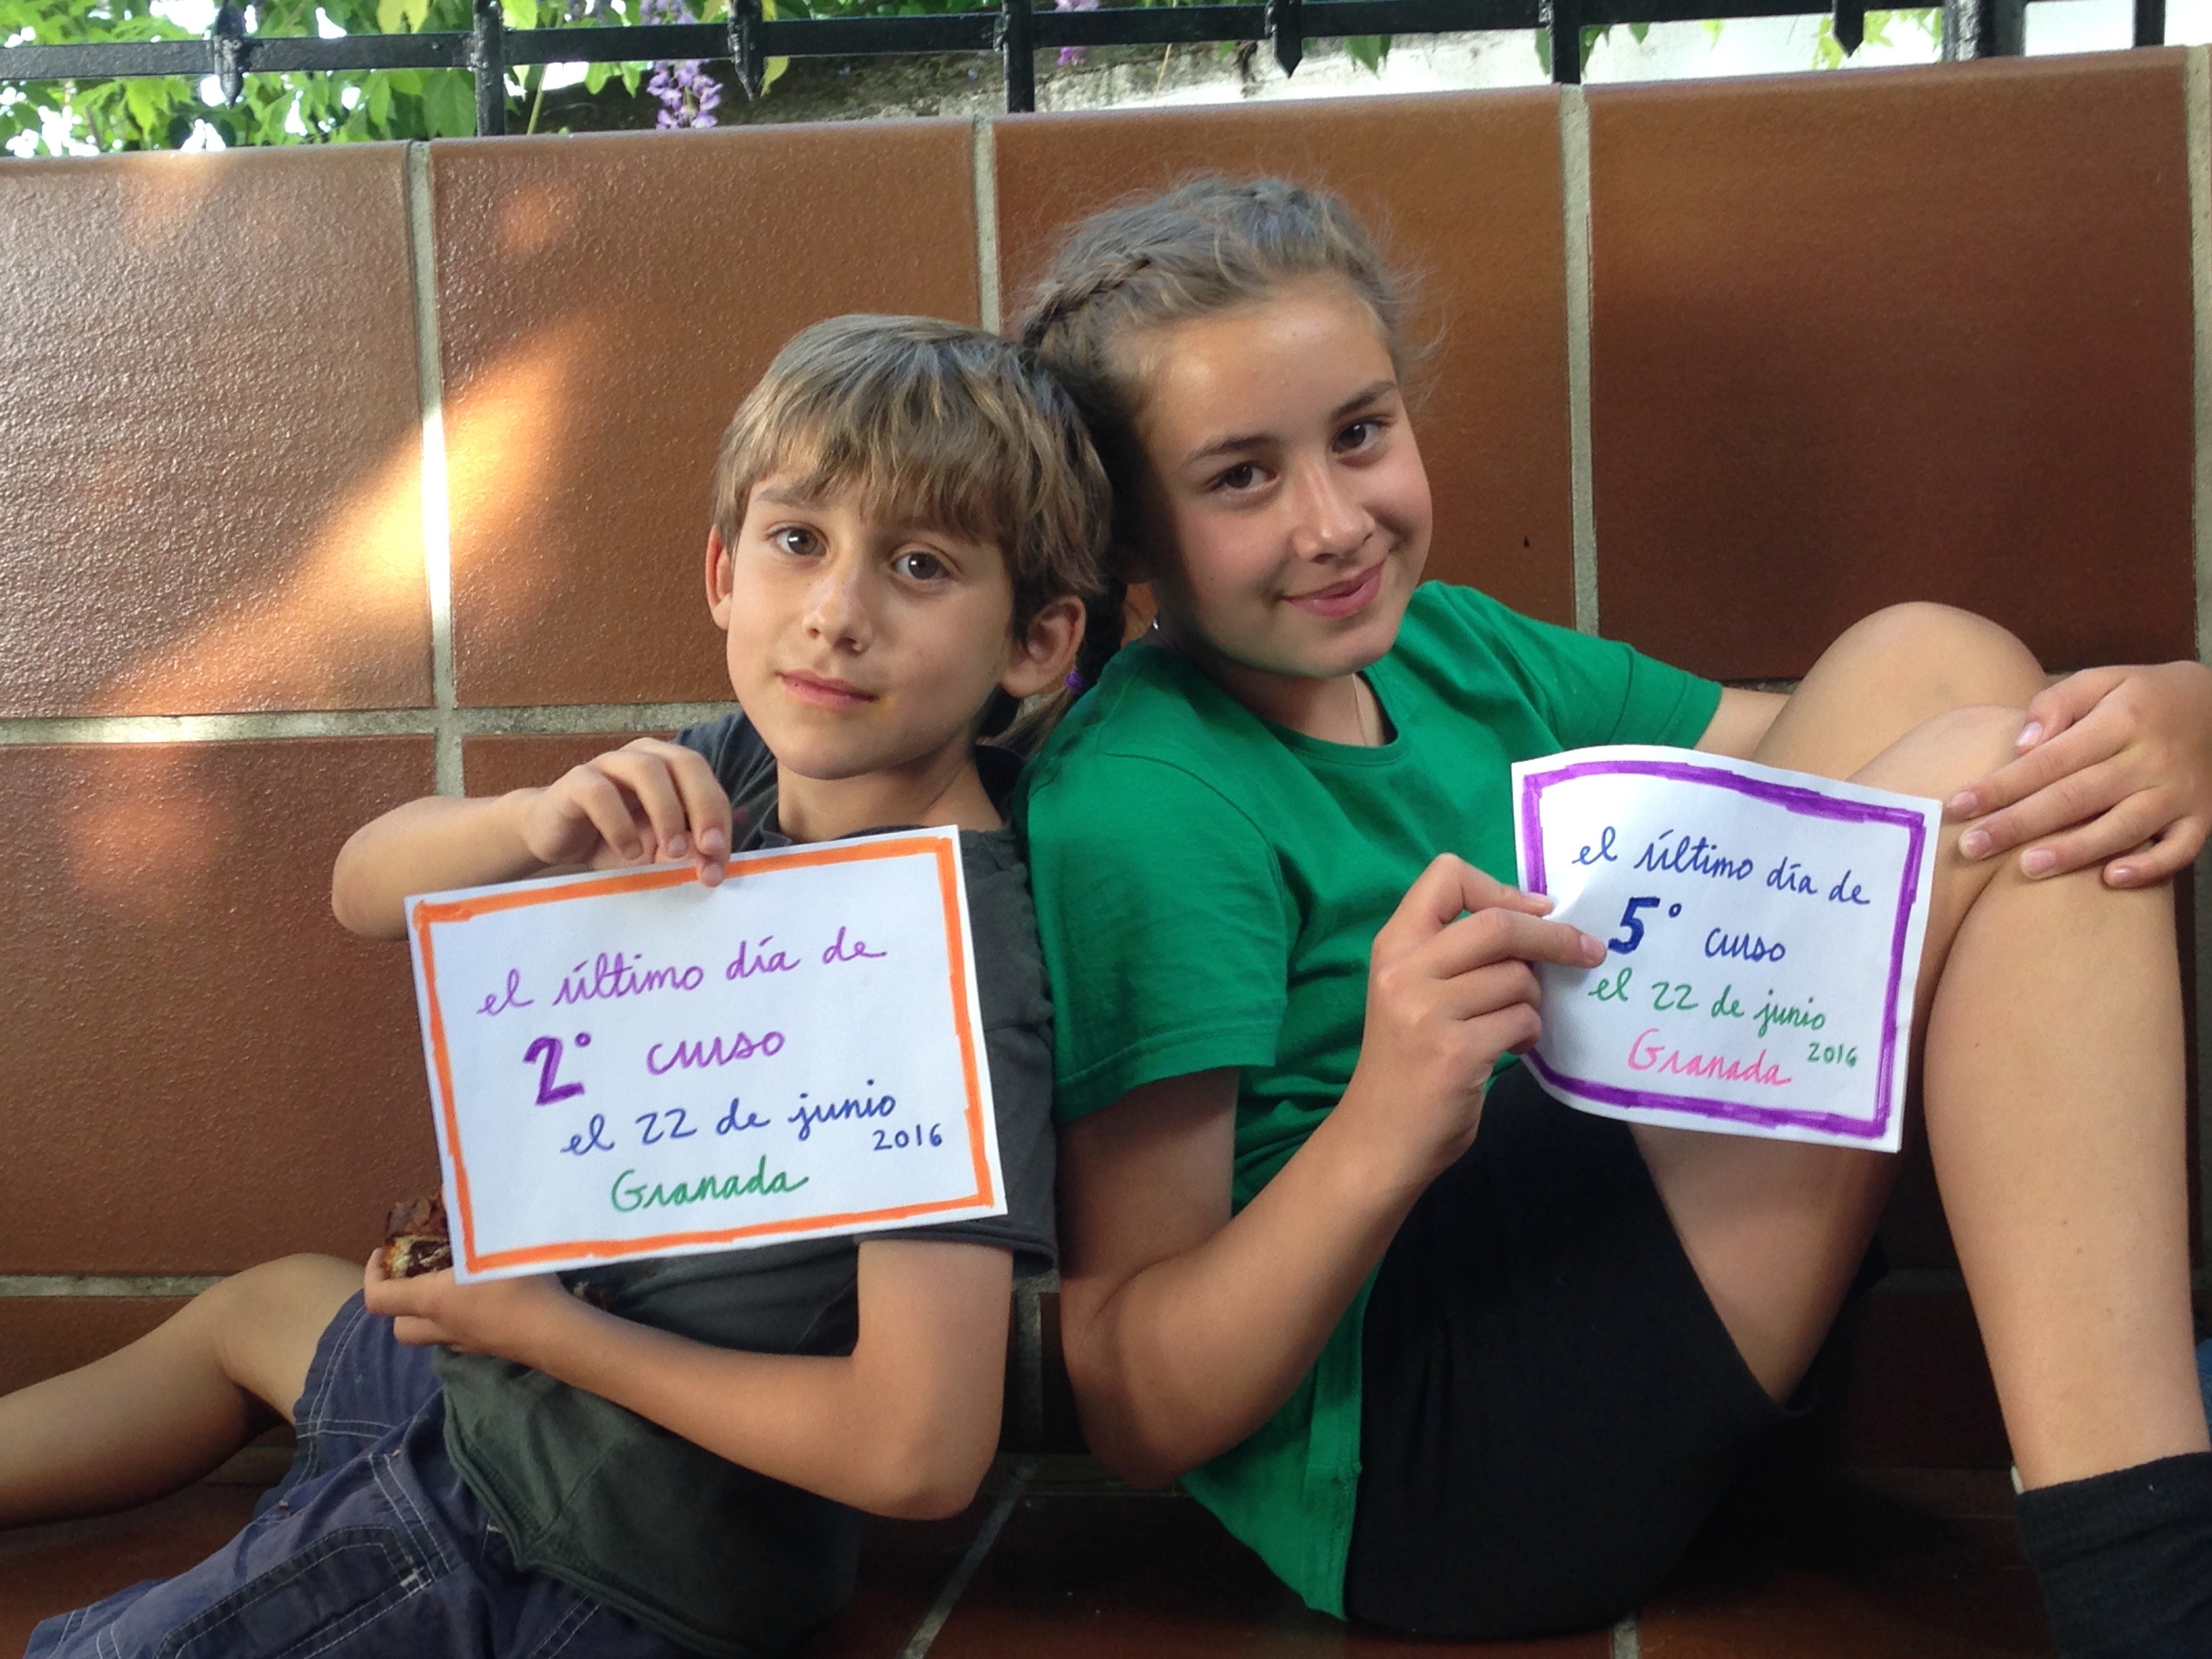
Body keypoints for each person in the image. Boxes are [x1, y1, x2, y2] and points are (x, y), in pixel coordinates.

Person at [1013, 177, 2212, 1658]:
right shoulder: (1141, 801)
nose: (1333, 523)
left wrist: (2174, 716)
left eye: (1360, 433)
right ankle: (2153, 1594)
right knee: (2003, 793)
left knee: (1943, 671)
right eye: (1241, 478)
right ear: (1129, 535)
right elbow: (1134, 1407)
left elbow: (1857, 743)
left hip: (1609, 1277)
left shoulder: (1445, 645)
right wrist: (1379, 1125)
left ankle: (2123, 1484)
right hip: (1436, 1454)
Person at [1, 314, 1115, 1659]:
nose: (836, 612)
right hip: (513, 1388)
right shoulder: (745, 774)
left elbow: (917, 1453)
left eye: (919, 565)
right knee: (261, 1307)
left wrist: (539, 1330)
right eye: (798, 539)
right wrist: (532, 822)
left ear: (1037, 642)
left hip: (587, 1541)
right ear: (723, 570)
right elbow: (365, 888)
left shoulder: (939, 962)